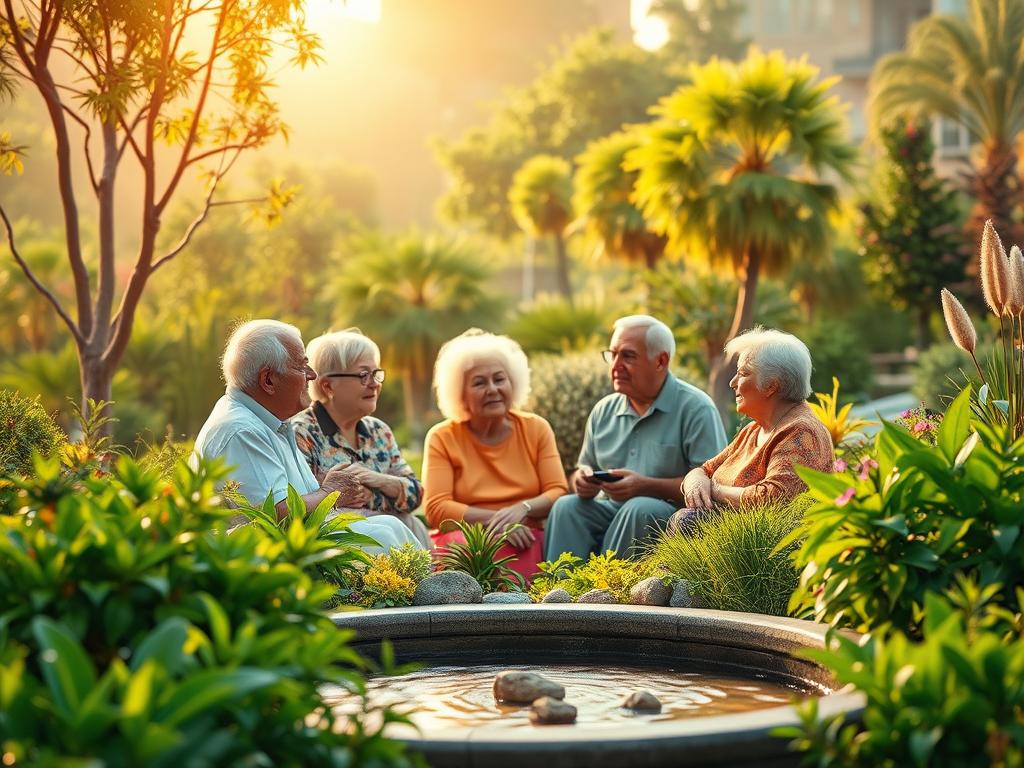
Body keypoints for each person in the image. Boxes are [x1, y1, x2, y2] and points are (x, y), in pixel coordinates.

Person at [192, 319, 423, 553]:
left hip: (301, 544)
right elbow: (275, 515)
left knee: (392, 527)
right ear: (268, 380)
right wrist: (329, 493)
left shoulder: (270, 421)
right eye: (302, 367)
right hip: (275, 561)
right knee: (388, 532)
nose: (312, 375)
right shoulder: (242, 430)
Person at [544, 315, 727, 560]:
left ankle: (609, 590)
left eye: (628, 356)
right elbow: (583, 467)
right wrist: (581, 480)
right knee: (567, 507)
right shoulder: (603, 410)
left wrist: (645, 486)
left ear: (661, 361)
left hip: (671, 517)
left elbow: (712, 486)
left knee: (639, 507)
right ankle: (557, 591)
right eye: (612, 354)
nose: (615, 365)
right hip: (608, 506)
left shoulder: (697, 408)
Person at [422, 329, 567, 582]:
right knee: (460, 550)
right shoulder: (442, 436)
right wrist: (500, 522)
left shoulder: (536, 428)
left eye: (499, 379)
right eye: (479, 382)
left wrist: (522, 508)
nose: (492, 389)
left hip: (526, 535)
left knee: (526, 548)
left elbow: (557, 491)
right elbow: (436, 507)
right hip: (465, 537)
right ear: (460, 393)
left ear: (513, 382)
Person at [674, 327, 834, 531]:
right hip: (733, 543)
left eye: (743, 373)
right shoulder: (754, 430)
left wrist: (714, 490)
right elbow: (704, 470)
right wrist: (696, 481)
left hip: (769, 554)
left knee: (687, 521)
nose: (733, 383)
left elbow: (772, 498)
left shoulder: (801, 432)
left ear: (771, 386)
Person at [291, 329, 430, 548]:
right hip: (339, 545)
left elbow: (416, 494)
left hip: (389, 533)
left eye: (376, 374)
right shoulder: (302, 432)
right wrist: (384, 497)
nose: (375, 384)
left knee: (411, 523)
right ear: (328, 386)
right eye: (364, 375)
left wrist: (376, 480)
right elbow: (303, 510)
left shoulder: (379, 431)